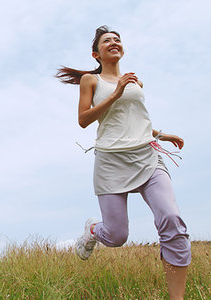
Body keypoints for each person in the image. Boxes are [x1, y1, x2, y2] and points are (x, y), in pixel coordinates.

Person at [56, 26, 191, 300]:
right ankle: (94, 230)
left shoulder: (136, 83)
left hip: (147, 156)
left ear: (123, 49)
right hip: (111, 161)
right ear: (97, 53)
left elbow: (136, 119)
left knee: (172, 220)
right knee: (117, 236)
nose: (114, 43)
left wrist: (163, 135)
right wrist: (115, 93)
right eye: (107, 41)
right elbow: (83, 120)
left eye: (117, 40)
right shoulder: (90, 82)